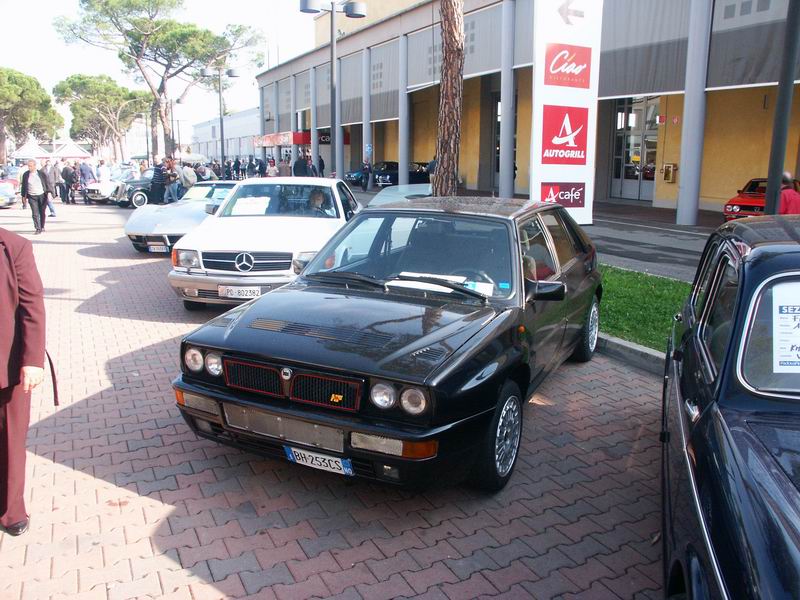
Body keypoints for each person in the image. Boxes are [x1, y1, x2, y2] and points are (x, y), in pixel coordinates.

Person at [0, 226, 46, 537]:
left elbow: (32, 306)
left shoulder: (14, 246)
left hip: (7, 365)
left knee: (10, 441)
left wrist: (32, 361)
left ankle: (11, 510)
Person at [20, 160, 54, 235]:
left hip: (42, 195)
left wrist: (49, 193)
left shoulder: (41, 174)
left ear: (35, 166)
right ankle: (37, 228)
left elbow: (47, 183)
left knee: (42, 212)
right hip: (32, 196)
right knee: (35, 213)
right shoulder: (26, 174)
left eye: (31, 166)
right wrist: (23, 197)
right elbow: (24, 186)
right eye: (28, 166)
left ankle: (42, 226)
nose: (29, 167)